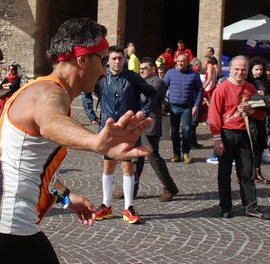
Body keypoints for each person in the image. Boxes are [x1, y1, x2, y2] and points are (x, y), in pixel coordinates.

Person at [0, 18, 152, 263]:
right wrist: (96, 142)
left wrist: (66, 196)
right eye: (101, 60)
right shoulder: (49, 93)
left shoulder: (36, 89)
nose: (104, 70)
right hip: (5, 226)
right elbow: (50, 123)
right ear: (82, 59)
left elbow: (27, 167)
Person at [82, 45, 156, 224]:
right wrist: (92, 115)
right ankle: (106, 205)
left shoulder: (132, 77)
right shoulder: (101, 77)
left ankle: (128, 207)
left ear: (124, 60)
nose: (117, 61)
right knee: (108, 166)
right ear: (108, 60)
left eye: (120, 58)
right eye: (114, 58)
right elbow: (86, 92)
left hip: (128, 129)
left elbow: (152, 93)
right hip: (107, 129)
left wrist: (143, 113)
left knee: (127, 166)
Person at [208, 55, 270, 220]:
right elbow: (214, 115)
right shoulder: (222, 89)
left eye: (243, 69)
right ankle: (225, 206)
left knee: (246, 172)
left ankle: (250, 206)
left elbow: (260, 114)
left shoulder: (250, 89)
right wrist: (217, 139)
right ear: (230, 69)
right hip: (226, 134)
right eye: (237, 69)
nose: (240, 72)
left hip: (245, 135)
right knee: (224, 173)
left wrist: (250, 110)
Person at [133, 57, 179, 202]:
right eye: (140, 68)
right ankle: (131, 189)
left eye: (144, 68)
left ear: (153, 69)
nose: (141, 71)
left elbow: (144, 98)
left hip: (150, 125)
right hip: (138, 125)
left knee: (154, 158)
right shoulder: (143, 82)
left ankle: (170, 188)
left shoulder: (158, 82)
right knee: (136, 158)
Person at [163, 54, 203, 164]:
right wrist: (162, 103)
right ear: (176, 61)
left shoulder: (194, 75)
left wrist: (196, 105)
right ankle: (176, 153)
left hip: (188, 107)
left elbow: (199, 90)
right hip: (173, 106)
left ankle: (186, 153)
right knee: (175, 131)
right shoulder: (170, 73)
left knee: (186, 130)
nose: (181, 63)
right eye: (179, 61)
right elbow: (163, 87)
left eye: (183, 61)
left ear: (187, 62)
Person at [246, 57, 270, 184]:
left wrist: (265, 96)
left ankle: (256, 171)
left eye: (260, 69)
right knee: (249, 146)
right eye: (256, 69)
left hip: (262, 116)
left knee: (259, 145)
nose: (258, 72)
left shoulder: (266, 83)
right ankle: (246, 172)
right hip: (249, 118)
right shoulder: (247, 82)